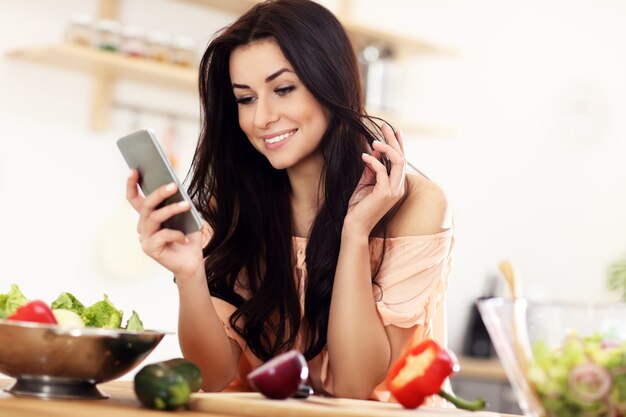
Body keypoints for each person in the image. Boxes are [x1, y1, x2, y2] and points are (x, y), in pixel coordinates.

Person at [125, 0, 453, 402]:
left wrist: (355, 233)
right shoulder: (232, 207)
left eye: (282, 89)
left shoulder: (417, 206)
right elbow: (211, 377)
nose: (261, 118)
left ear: (329, 84)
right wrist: (190, 275)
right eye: (245, 99)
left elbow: (356, 387)